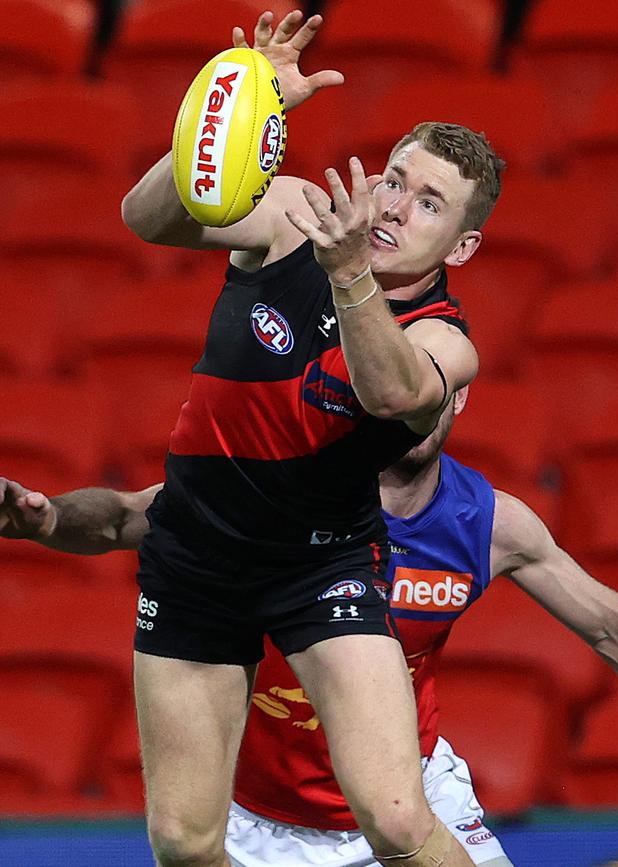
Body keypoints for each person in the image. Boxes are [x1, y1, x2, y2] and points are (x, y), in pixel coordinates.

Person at [111, 5, 505, 865]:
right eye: (397, 178)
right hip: (194, 558)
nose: (398, 204)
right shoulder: (292, 209)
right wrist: (235, 119)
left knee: (398, 818)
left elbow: (393, 388)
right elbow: (147, 218)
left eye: (429, 202)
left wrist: (351, 274)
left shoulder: (447, 338)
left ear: (462, 244)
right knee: (182, 841)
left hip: (318, 563)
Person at [2, 393, 618, 867]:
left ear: (462, 395)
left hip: (412, 801)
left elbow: (614, 627)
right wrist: (46, 518)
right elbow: (121, 519)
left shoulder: (489, 524)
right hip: (258, 825)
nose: (416, 404)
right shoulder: (264, 497)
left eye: (435, 383)